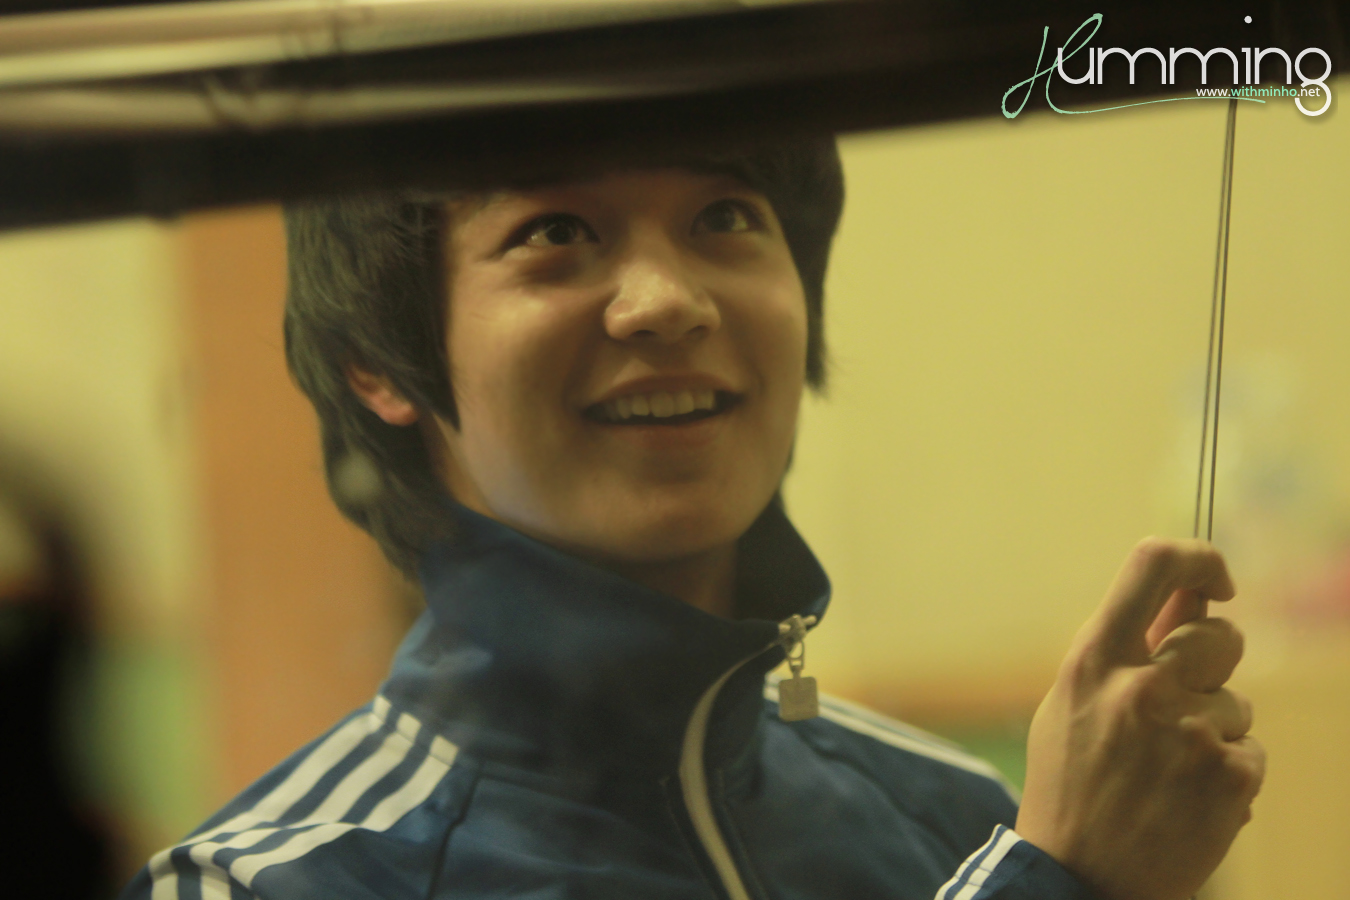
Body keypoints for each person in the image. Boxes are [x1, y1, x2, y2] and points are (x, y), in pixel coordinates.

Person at [120, 135, 1262, 900]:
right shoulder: (268, 884)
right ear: (379, 362)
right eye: (555, 232)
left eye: (725, 214)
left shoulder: (953, 811)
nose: (669, 302)